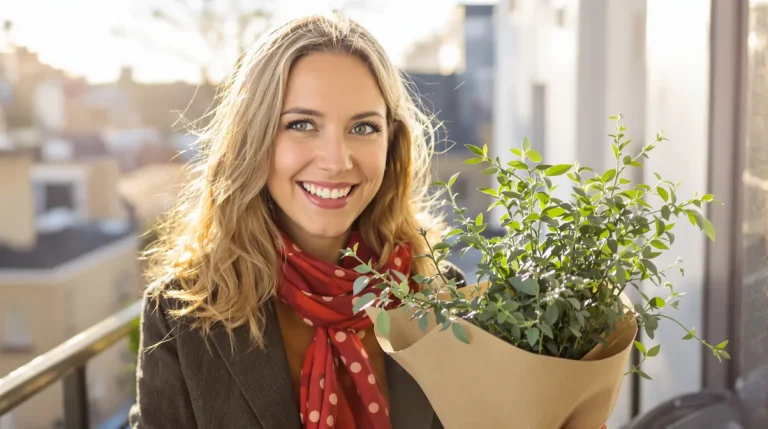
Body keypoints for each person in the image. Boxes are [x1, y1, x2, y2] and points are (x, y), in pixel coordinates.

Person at [128, 11, 465, 429]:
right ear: (255, 138)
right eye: (302, 124)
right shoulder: (182, 314)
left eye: (363, 127)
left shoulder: (442, 293)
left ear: (392, 143)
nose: (336, 161)